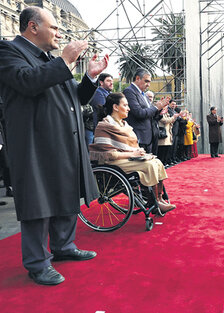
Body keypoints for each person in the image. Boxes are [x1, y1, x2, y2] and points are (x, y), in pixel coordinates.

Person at [0, 6, 109, 285]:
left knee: (65, 192)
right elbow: (27, 82)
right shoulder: (9, 51)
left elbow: (74, 98)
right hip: (34, 142)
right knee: (38, 201)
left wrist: (91, 78)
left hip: (63, 139)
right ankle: (37, 263)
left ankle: (64, 246)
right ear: (33, 27)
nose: (59, 33)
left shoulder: (50, 59)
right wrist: (64, 61)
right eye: (55, 27)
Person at [89, 92, 176, 215]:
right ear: (115, 107)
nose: (129, 108)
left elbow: (130, 146)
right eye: (125, 105)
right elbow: (107, 154)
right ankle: (154, 202)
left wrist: (137, 151)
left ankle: (159, 199)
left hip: (126, 158)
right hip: (113, 161)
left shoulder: (124, 124)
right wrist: (132, 154)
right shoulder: (104, 126)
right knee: (149, 165)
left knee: (157, 162)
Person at [123, 68, 159, 154]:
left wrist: (159, 111)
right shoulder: (129, 91)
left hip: (148, 137)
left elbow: (150, 114)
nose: (148, 85)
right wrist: (156, 108)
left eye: (149, 82)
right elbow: (138, 113)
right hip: (138, 136)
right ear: (138, 78)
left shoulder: (144, 95)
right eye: (146, 81)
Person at [87, 73, 113, 144]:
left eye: (112, 81)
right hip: (97, 128)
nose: (111, 83)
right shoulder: (98, 92)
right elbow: (102, 110)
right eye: (108, 81)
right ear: (101, 82)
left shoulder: (108, 93)